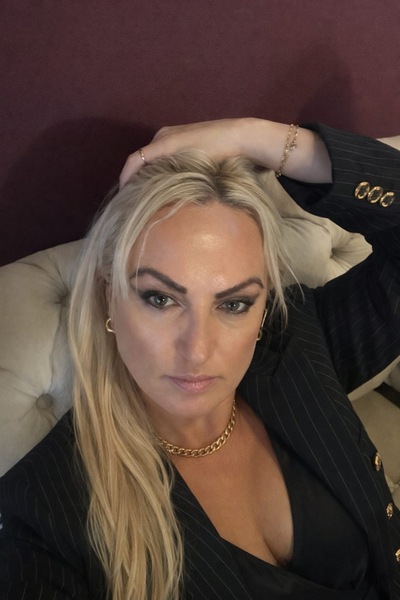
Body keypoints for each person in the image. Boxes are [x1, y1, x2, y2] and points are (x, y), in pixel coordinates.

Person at [0, 118, 399, 600]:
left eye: (234, 304)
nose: (197, 350)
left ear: (263, 307)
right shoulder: (44, 515)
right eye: (160, 298)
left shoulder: (300, 346)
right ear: (109, 298)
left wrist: (254, 138)